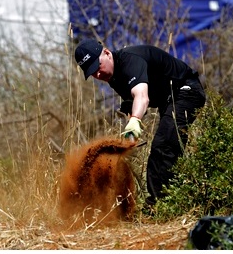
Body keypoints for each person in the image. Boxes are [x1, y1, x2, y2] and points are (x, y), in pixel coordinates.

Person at [75, 39, 206, 207]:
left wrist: (135, 120)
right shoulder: (113, 77)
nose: (98, 75)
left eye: (98, 66)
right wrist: (129, 138)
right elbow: (131, 103)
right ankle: (174, 199)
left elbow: (142, 97)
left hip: (186, 91)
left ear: (107, 53)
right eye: (92, 72)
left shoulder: (130, 60)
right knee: (167, 146)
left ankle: (159, 206)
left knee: (163, 146)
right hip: (169, 100)